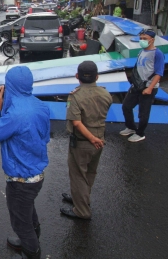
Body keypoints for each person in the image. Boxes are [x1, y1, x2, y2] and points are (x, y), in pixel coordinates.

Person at [0, 66, 50, 259]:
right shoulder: (40, 105)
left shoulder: (14, 114)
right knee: (27, 210)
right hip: (36, 175)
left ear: (9, 85)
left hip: (20, 179)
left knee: (20, 221)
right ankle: (30, 238)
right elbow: (45, 137)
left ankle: (31, 251)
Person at [60, 61, 112, 220]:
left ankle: (81, 211)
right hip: (100, 140)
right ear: (97, 76)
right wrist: (97, 139)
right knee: (90, 172)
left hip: (83, 141)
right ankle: (82, 199)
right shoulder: (105, 94)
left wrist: (91, 138)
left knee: (78, 175)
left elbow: (76, 122)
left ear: (77, 76)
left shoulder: (75, 96)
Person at [120, 30, 165, 143]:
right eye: (141, 38)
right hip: (137, 85)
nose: (142, 41)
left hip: (149, 87)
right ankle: (130, 127)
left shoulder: (158, 54)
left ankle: (140, 133)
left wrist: (150, 88)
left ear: (152, 40)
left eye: (145, 39)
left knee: (143, 113)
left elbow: (159, 73)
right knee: (126, 106)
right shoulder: (141, 51)